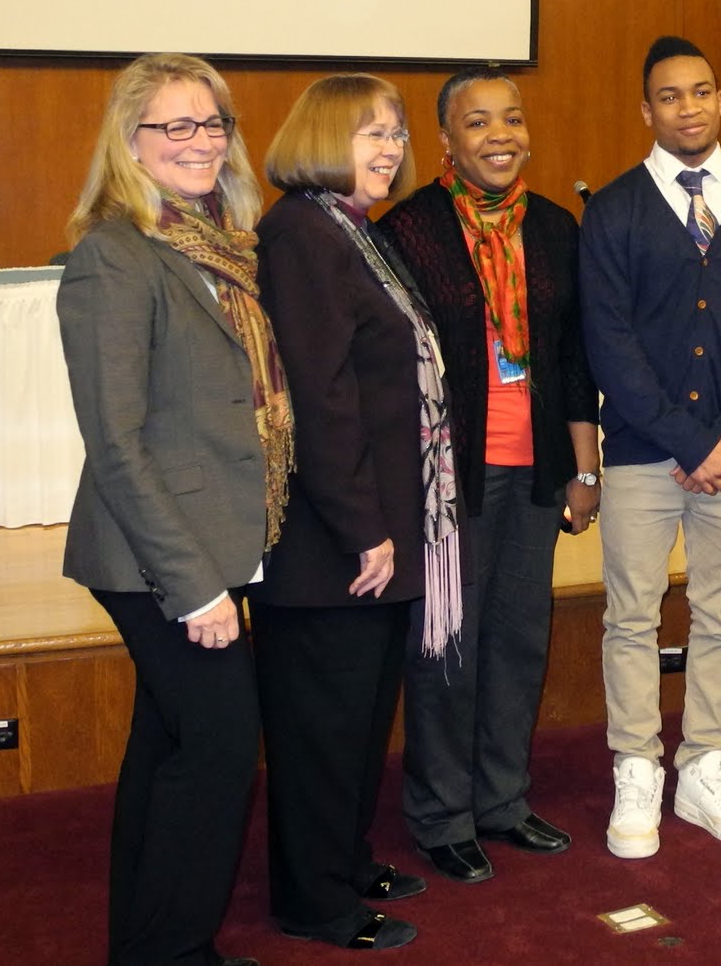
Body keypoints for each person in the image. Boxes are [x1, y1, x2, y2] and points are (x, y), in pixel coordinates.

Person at [58, 52, 289, 966]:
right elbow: (115, 442)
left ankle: (146, 945)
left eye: (213, 123)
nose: (201, 142)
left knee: (166, 745)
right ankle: (175, 950)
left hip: (218, 535)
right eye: (175, 125)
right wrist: (193, 587)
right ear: (131, 140)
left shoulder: (223, 243)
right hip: (156, 556)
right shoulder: (113, 255)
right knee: (220, 749)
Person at [377, 67, 601, 884]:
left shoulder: (554, 227)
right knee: (449, 645)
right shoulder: (409, 230)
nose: (500, 135)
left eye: (512, 118)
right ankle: (442, 814)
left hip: (536, 472)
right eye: (478, 122)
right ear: (446, 139)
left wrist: (585, 468)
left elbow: (572, 358)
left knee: (517, 638)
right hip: (448, 482)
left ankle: (502, 800)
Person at [579, 36, 721, 859]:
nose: (689, 107)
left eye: (701, 91)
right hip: (643, 453)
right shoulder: (613, 211)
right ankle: (636, 767)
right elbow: (609, 345)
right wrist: (686, 439)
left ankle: (706, 764)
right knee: (631, 616)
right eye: (670, 96)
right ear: (648, 110)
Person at [252, 74, 452, 952]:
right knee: (321, 732)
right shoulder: (301, 232)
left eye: (397, 133)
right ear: (324, 139)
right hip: (329, 541)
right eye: (372, 132)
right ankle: (313, 899)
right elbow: (319, 395)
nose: (391, 148)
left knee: (361, 719)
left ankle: (343, 860)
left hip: (375, 527)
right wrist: (362, 525)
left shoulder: (351, 228)